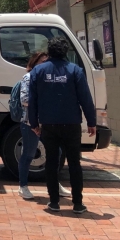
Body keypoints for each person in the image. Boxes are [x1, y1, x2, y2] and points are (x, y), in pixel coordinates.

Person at [29, 37, 97, 214]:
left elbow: (33, 100)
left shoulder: (38, 71)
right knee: (74, 162)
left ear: (49, 52)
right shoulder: (75, 70)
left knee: (51, 162)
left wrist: (34, 123)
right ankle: (78, 204)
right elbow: (86, 99)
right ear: (66, 52)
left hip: (49, 124)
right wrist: (92, 122)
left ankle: (54, 202)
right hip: (72, 123)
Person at [18, 52, 71, 200]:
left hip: (48, 123)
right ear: (34, 63)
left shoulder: (49, 78)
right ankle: (23, 186)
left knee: (57, 153)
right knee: (29, 154)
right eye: (42, 62)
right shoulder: (28, 78)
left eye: (47, 62)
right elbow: (25, 99)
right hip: (30, 122)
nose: (45, 65)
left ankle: (55, 184)